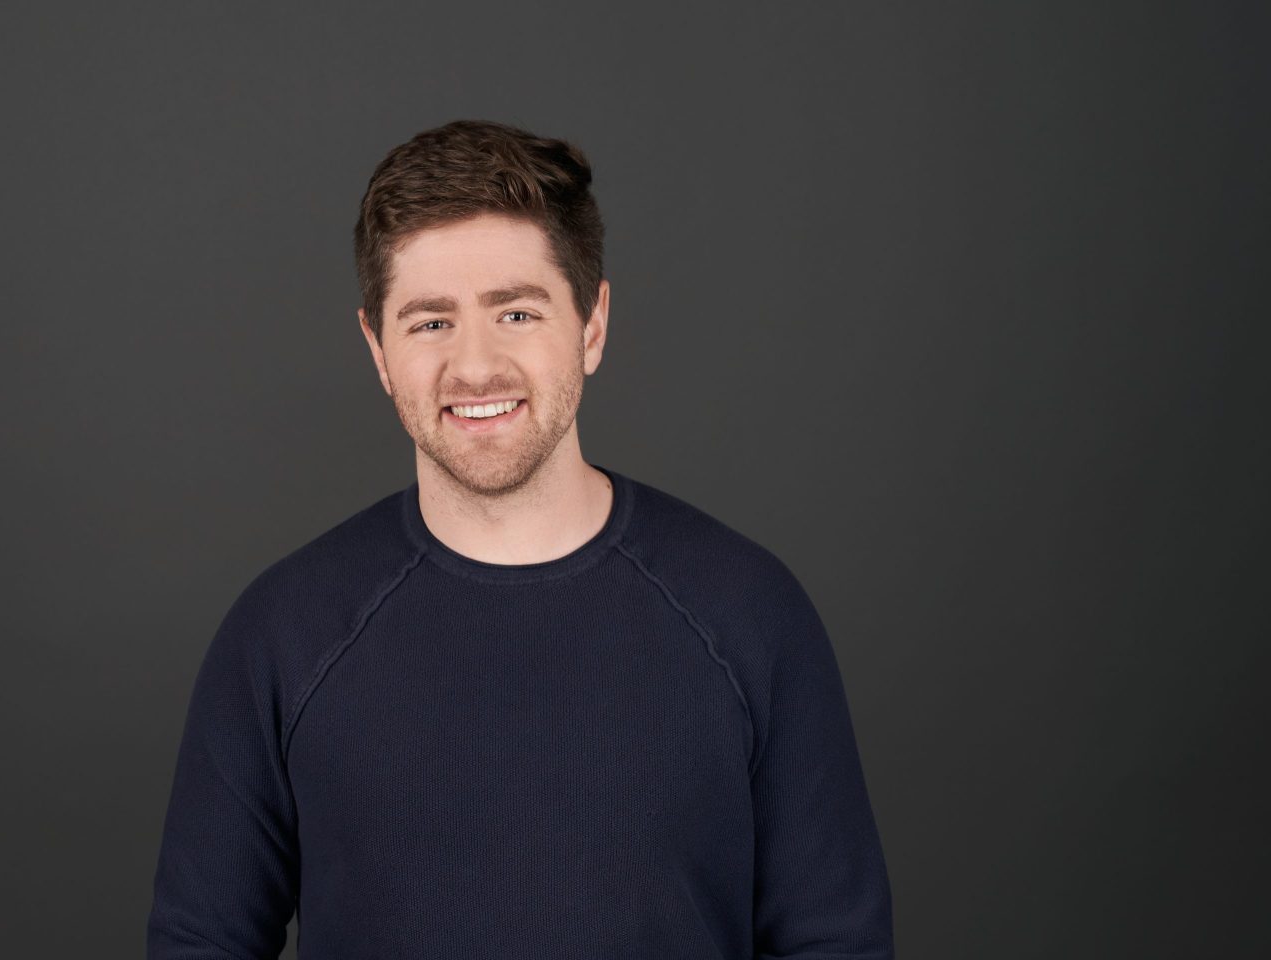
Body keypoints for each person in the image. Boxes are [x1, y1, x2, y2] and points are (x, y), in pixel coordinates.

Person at [147, 118, 894, 959]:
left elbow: (836, 942)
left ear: (593, 324)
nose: (474, 367)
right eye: (430, 323)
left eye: (515, 312)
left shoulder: (750, 615)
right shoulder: (283, 634)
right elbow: (198, 942)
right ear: (378, 350)